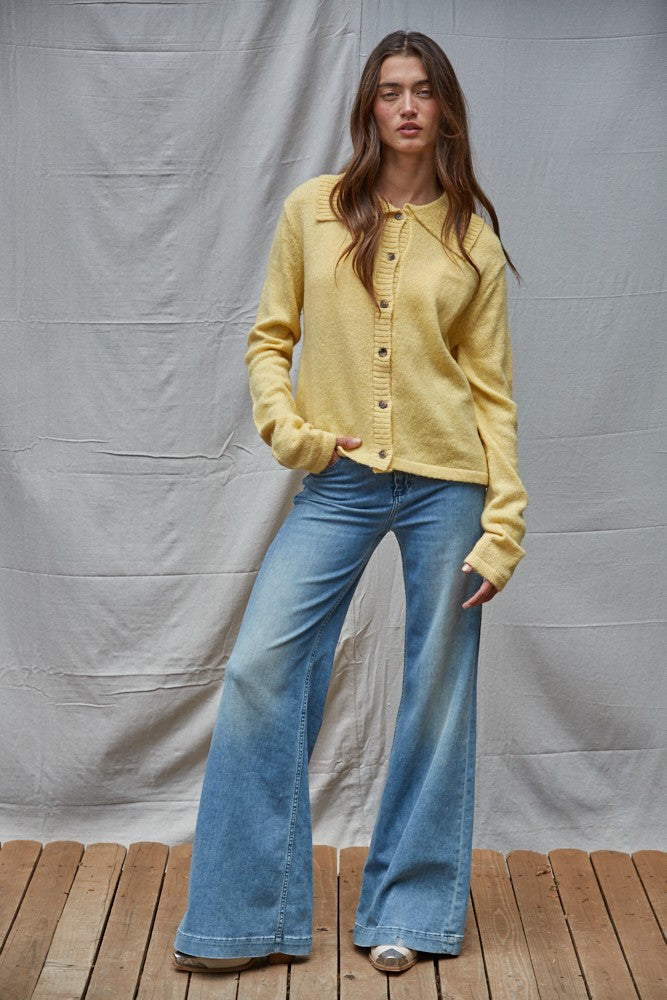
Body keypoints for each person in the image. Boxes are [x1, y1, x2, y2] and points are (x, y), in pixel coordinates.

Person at [173, 29, 527, 976]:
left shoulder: (471, 239)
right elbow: (268, 339)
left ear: (445, 109)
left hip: (448, 485)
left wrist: (503, 528)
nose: (406, 106)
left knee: (436, 692)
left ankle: (408, 908)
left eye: (423, 91)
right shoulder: (313, 211)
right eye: (390, 91)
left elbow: (491, 395)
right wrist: (291, 432)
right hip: (337, 480)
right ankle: (244, 920)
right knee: (260, 669)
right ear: (368, 106)